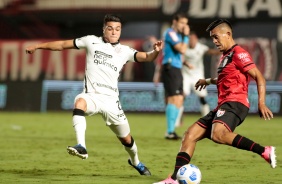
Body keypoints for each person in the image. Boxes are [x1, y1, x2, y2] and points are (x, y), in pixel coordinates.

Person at [26, 14, 163, 176]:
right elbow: (63, 44)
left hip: (112, 102)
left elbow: (147, 57)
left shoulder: (124, 51)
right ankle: (81, 146)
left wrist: (155, 51)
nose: (114, 32)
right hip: (92, 96)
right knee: (79, 102)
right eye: (110, 28)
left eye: (117, 29)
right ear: (103, 29)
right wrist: (38, 46)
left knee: (126, 139)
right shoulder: (91, 40)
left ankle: (136, 162)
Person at [153, 19, 276, 184]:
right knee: (190, 135)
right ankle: (174, 179)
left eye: (217, 37)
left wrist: (261, 102)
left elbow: (259, 76)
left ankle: (264, 150)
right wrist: (208, 81)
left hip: (236, 103)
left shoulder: (239, 52)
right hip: (223, 104)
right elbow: (226, 77)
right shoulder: (226, 56)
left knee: (218, 134)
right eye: (212, 38)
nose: (214, 41)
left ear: (228, 34)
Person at [154, 12, 190, 140]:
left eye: (186, 23)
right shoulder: (171, 33)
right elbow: (182, 49)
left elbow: (176, 53)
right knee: (173, 98)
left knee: (179, 99)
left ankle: (172, 130)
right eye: (182, 23)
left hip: (177, 68)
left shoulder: (177, 35)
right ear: (174, 22)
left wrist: (185, 63)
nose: (184, 26)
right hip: (170, 69)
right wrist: (186, 37)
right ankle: (170, 131)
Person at [174, 31, 221, 127]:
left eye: (193, 39)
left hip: (197, 76)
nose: (191, 41)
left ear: (196, 40)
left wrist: (222, 50)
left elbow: (211, 52)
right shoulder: (183, 47)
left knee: (202, 98)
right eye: (190, 39)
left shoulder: (201, 47)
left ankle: (208, 121)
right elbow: (179, 58)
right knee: (181, 97)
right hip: (186, 76)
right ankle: (178, 121)